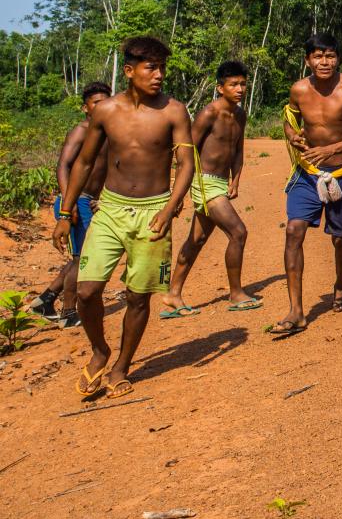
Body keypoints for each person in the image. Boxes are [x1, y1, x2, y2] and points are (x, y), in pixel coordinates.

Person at [53, 37, 195, 400]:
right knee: (86, 290)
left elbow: (186, 165)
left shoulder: (174, 111)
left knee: (137, 296)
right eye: (151, 67)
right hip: (110, 209)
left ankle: (122, 366)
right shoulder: (107, 111)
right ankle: (100, 350)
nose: (159, 75)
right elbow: (84, 162)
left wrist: (170, 208)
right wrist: (66, 213)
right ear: (129, 71)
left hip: (153, 212)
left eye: (162, 67)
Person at [269, 34, 342, 337]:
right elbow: (289, 119)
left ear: (338, 58)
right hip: (308, 171)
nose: (324, 62)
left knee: (340, 238)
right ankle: (296, 311)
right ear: (308, 59)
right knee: (293, 230)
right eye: (318, 56)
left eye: (330, 56)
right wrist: (292, 135)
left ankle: (340, 284)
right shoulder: (298, 89)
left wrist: (333, 149)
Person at [159, 61, 258, 318]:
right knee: (238, 232)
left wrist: (235, 179)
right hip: (204, 182)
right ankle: (236, 293)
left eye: (243, 84)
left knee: (197, 239)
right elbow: (187, 150)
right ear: (220, 87)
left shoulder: (240, 115)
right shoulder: (209, 113)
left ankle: (173, 293)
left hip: (221, 183)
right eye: (233, 84)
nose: (239, 89)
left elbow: (238, 149)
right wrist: (178, 191)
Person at [28, 82, 112, 328]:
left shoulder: (109, 133)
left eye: (106, 101)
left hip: (90, 200)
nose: (102, 106)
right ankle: (68, 312)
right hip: (76, 200)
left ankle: (46, 300)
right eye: (97, 102)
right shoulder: (82, 130)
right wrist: (69, 204)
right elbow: (63, 166)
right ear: (85, 107)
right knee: (81, 259)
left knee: (79, 257)